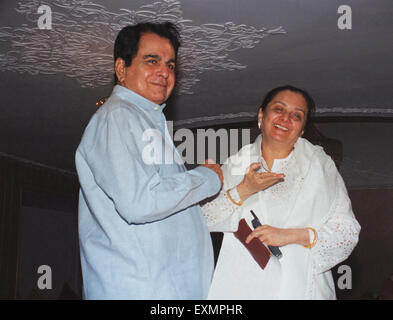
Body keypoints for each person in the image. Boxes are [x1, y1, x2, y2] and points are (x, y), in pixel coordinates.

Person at [75, 22, 223, 299]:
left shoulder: (145, 123)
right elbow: (140, 204)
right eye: (152, 61)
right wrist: (207, 177)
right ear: (121, 69)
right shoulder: (118, 116)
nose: (164, 72)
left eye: (170, 65)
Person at [202, 85, 361, 299]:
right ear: (261, 115)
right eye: (279, 108)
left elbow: (347, 231)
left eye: (297, 115)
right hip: (247, 286)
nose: (286, 118)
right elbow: (203, 219)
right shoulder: (236, 164)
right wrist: (244, 190)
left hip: (304, 286)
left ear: (302, 129)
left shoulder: (322, 166)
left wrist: (292, 235)